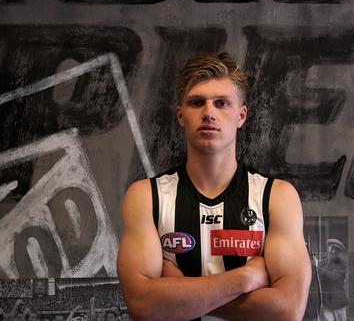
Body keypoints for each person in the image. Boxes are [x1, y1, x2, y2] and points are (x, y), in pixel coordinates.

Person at [116, 52, 311, 320]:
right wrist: (244, 278)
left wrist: (178, 293)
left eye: (222, 103)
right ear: (180, 115)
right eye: (197, 102)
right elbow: (142, 305)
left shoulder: (276, 197)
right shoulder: (147, 197)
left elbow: (288, 310)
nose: (208, 112)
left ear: (241, 116)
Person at [316, 238, 349, 321]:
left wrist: (317, 268)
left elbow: (334, 277)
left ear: (339, 252)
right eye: (332, 248)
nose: (333, 251)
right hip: (325, 302)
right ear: (328, 248)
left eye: (337, 250)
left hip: (338, 303)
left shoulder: (342, 264)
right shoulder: (321, 263)